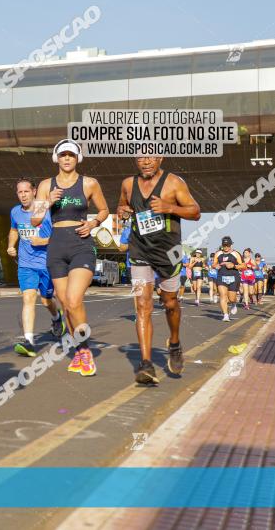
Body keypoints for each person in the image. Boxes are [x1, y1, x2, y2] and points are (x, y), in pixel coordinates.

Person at [117, 157, 201, 385]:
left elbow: (195, 212)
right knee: (142, 305)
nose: (146, 162)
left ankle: (174, 343)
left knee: (170, 302)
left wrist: (169, 208)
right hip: (139, 252)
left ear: (160, 158)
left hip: (168, 253)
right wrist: (122, 212)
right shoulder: (127, 183)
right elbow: (122, 206)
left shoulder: (174, 183)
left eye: (151, 157)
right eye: (141, 157)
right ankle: (146, 365)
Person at [32, 139, 109, 377]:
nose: (67, 159)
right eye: (63, 155)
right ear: (57, 158)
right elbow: (35, 220)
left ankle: (85, 351)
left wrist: (94, 222)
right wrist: (47, 202)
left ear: (77, 158)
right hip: (56, 247)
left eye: (71, 155)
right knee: (65, 304)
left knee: (74, 300)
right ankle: (79, 350)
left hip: (81, 245)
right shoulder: (46, 185)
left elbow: (105, 210)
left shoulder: (89, 183)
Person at [7, 177, 66, 357]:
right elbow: (14, 229)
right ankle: (29, 342)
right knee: (28, 298)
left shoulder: (47, 211)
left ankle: (57, 319)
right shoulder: (15, 212)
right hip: (26, 264)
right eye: (20, 192)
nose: (23, 195)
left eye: (26, 191)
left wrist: (43, 241)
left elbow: (63, 236)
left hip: (47, 263)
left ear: (34, 192)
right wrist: (11, 245)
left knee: (46, 300)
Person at [213, 236, 243, 322]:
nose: (226, 247)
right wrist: (216, 266)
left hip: (233, 277)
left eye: (228, 245)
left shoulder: (236, 253)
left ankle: (234, 304)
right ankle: (225, 315)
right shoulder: (218, 253)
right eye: (224, 245)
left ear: (231, 245)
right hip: (221, 276)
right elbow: (214, 264)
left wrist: (234, 265)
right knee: (222, 296)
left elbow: (243, 266)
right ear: (222, 245)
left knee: (231, 298)